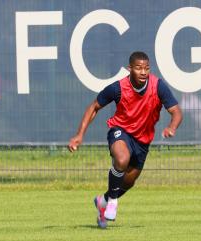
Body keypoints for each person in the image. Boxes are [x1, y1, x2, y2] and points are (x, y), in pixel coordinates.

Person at [68, 51, 182, 229]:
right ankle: (112, 201)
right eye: (138, 68)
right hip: (120, 131)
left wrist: (172, 127)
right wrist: (79, 134)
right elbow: (94, 107)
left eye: (146, 68)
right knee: (122, 160)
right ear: (130, 69)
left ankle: (103, 201)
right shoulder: (118, 88)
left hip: (143, 141)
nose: (143, 72)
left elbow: (176, 112)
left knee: (128, 182)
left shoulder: (158, 86)